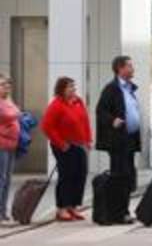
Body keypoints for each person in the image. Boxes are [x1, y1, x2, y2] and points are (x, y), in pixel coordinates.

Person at [95, 55, 140, 223]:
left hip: (129, 140)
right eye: (129, 66)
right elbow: (101, 111)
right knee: (120, 177)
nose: (133, 69)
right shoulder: (111, 88)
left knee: (128, 177)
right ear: (120, 69)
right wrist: (112, 120)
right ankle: (119, 212)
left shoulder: (129, 88)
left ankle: (123, 210)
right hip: (118, 141)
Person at [42, 77, 91, 222]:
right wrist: (61, 144)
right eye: (70, 87)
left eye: (74, 86)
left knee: (80, 175)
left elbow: (85, 121)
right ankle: (62, 208)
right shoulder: (56, 105)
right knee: (66, 176)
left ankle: (73, 206)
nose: (73, 89)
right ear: (61, 89)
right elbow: (47, 127)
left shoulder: (78, 101)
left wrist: (88, 140)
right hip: (64, 146)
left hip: (79, 144)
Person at [0, 75, 21, 226]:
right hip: (1, 144)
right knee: (1, 179)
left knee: (7, 180)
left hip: (11, 144)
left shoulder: (8, 100)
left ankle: (3, 212)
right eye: (2, 85)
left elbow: (15, 114)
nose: (6, 87)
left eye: (7, 84)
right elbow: (8, 115)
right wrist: (16, 114)